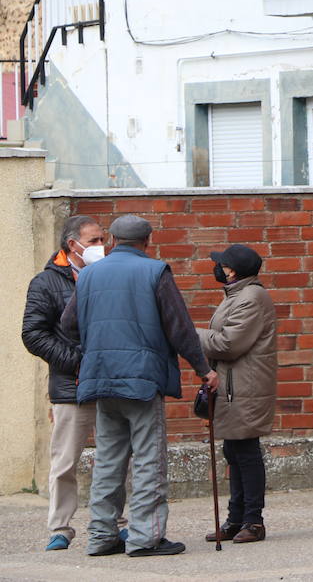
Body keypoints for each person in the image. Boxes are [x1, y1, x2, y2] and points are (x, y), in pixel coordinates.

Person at [61, 214, 218, 558]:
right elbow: (180, 328)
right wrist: (203, 369)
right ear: (148, 241)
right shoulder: (155, 272)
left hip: (101, 378)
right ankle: (146, 537)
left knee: (107, 460)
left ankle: (101, 535)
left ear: (112, 241)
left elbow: (68, 324)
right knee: (149, 459)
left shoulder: (88, 275)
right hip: (142, 380)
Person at [21, 215, 127, 552]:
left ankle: (118, 523)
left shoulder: (109, 275)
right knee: (65, 461)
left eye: (103, 240)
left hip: (110, 382)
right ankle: (60, 528)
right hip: (72, 386)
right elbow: (33, 334)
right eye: (95, 241)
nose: (102, 247)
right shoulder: (46, 283)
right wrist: (78, 361)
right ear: (73, 245)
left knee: (117, 456)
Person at [198, 243, 277, 545]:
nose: (217, 268)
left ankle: (253, 521)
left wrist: (187, 333)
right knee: (233, 451)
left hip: (247, 388)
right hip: (234, 386)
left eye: (222, 264)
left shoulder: (252, 298)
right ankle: (235, 519)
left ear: (232, 270)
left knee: (246, 452)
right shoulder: (236, 295)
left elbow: (228, 344)